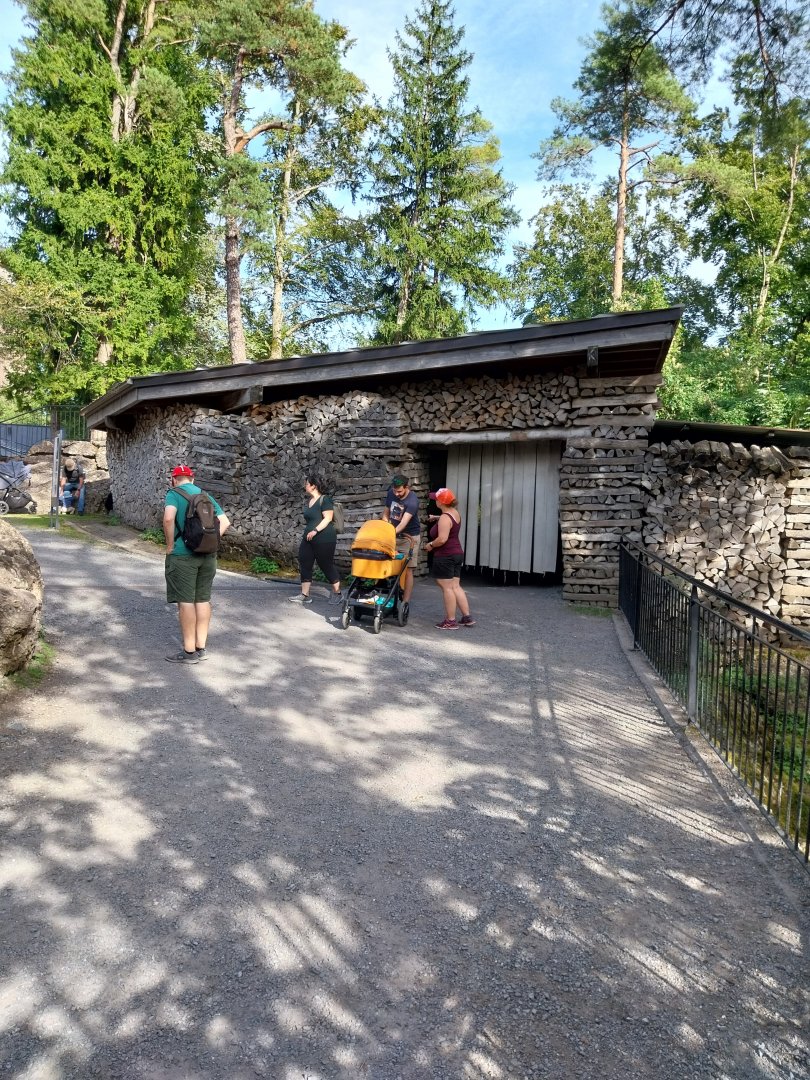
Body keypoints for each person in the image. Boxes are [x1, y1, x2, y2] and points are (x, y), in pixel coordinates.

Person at [163, 464, 230, 664]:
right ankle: (201, 648)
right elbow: (225, 522)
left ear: (174, 479)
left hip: (183, 555)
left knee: (185, 601)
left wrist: (169, 545)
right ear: (192, 479)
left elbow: (168, 519)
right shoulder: (204, 495)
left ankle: (189, 652)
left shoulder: (173, 494)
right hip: (208, 555)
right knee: (202, 600)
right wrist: (209, 542)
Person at [424, 487, 476, 630]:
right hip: (457, 553)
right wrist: (437, 517)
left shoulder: (445, 518)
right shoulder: (454, 513)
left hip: (445, 555)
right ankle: (467, 617)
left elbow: (442, 539)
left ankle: (450, 621)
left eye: (436, 499)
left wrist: (430, 545)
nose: (435, 501)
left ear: (441, 502)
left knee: (446, 587)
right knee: (455, 586)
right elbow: (448, 519)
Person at [289, 475, 343, 606]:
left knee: (325, 565)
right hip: (308, 538)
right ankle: (305, 595)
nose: (305, 485)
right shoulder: (310, 500)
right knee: (304, 561)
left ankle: (338, 593)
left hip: (324, 538)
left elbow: (328, 518)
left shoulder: (325, 500)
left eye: (307, 483)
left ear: (313, 486)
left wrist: (315, 531)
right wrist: (311, 532)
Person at [381, 474, 421, 606]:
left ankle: (405, 601)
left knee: (408, 570)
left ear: (406, 487)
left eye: (399, 491)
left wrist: (389, 533)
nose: (396, 494)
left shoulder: (412, 501)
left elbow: (403, 523)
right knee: (385, 562)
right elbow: (386, 513)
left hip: (409, 538)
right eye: (394, 490)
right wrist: (386, 526)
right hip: (392, 535)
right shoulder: (391, 493)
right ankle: (385, 593)